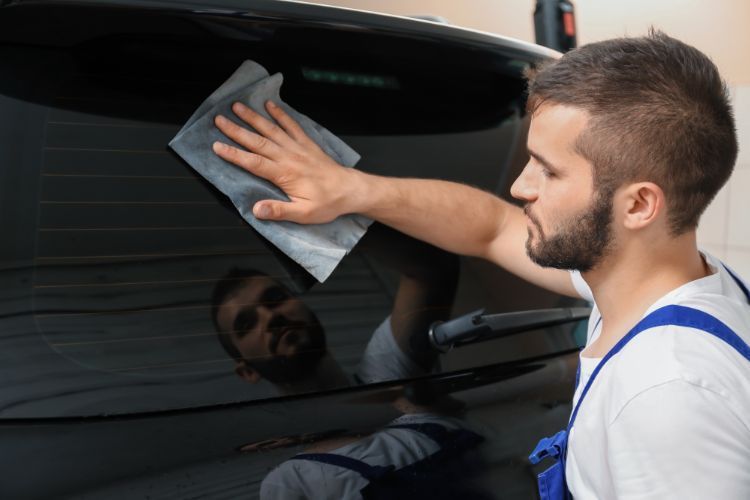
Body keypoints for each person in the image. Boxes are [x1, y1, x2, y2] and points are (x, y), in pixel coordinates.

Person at [211, 30, 750, 499]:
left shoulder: (666, 398)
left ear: (637, 205)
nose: (520, 187)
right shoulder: (655, 280)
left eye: (548, 170)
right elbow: (490, 227)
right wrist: (350, 191)